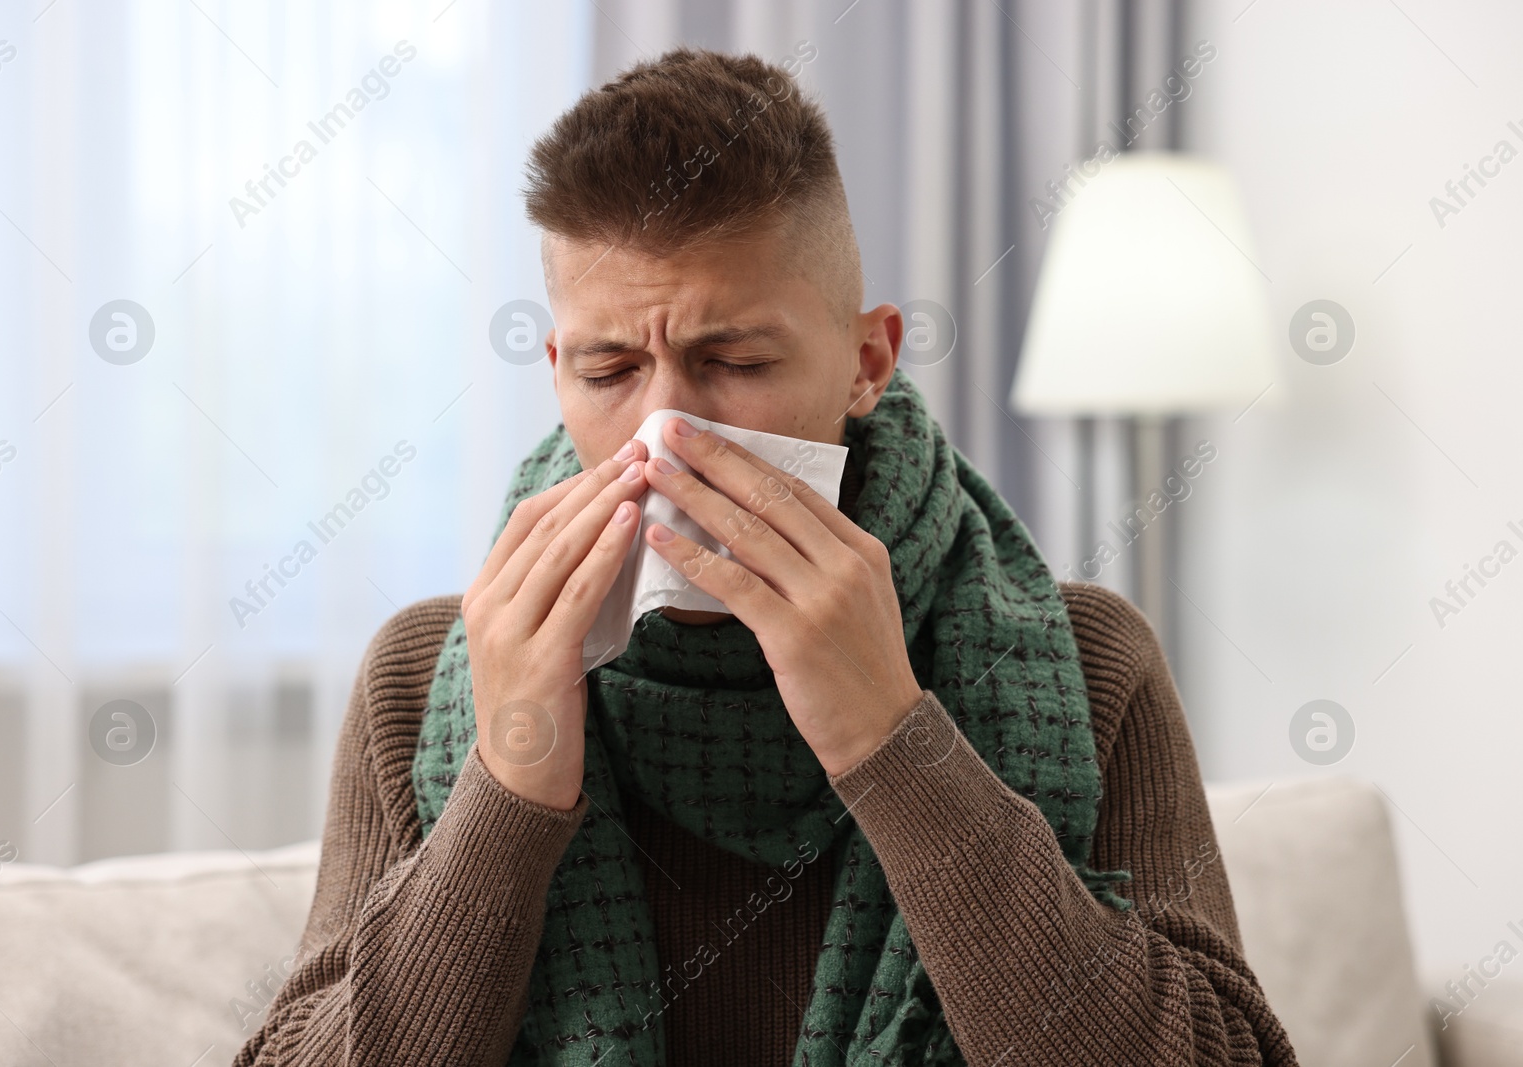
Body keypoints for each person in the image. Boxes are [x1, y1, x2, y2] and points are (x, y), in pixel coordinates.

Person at [234, 47, 1297, 1067]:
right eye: (610, 369)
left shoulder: (1088, 658)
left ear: (866, 360)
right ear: (555, 370)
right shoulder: (424, 670)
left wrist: (893, 740)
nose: (667, 434)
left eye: (733, 360)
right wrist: (509, 786)